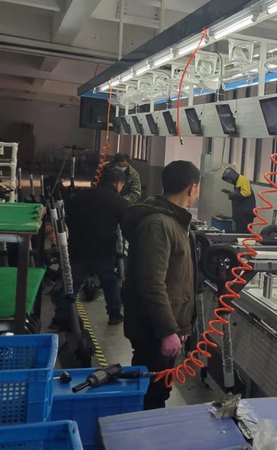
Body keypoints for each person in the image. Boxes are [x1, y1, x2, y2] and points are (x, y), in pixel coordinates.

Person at [120, 160, 200, 410]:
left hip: (165, 325)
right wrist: (167, 331)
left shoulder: (174, 221)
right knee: (150, 395)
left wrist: (180, 324)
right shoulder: (158, 224)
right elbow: (151, 283)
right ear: (192, 188)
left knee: (159, 390)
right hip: (153, 329)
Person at [59, 169, 129, 327]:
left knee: (71, 283)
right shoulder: (119, 202)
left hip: (77, 248)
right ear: (118, 184)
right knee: (110, 283)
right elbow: (128, 225)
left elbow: (67, 217)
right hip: (103, 251)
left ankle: (61, 315)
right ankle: (114, 314)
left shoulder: (79, 196)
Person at [221, 167, 255, 232]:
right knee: (238, 231)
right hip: (240, 214)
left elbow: (246, 193)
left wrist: (232, 195)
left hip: (245, 214)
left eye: (228, 180)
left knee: (243, 232)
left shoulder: (243, 180)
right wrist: (230, 193)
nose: (229, 182)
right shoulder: (238, 182)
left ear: (231, 177)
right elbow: (240, 194)